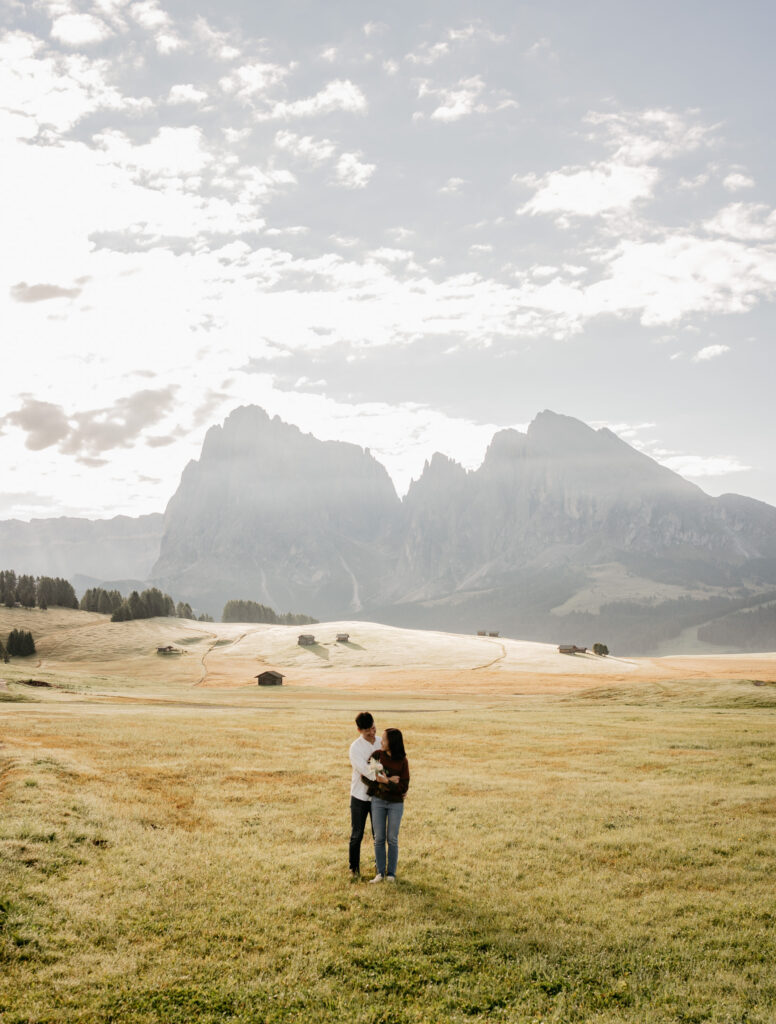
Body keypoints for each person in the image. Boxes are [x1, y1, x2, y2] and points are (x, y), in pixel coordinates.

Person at [366, 727, 410, 883]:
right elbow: (367, 777)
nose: (381, 741)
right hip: (378, 801)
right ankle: (380, 873)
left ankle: (391, 874)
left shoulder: (403, 761)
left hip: (395, 804)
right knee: (379, 838)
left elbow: (403, 788)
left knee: (392, 838)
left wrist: (385, 780)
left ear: (392, 742)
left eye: (384, 739)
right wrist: (390, 781)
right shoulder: (377, 756)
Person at [348, 711, 382, 879]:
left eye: (373, 728)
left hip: (379, 797)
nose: (372, 732)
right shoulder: (355, 747)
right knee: (357, 834)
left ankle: (380, 867)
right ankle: (354, 869)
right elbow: (365, 770)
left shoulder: (381, 742)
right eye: (367, 730)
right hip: (359, 796)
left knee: (379, 834)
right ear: (359, 730)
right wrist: (383, 774)